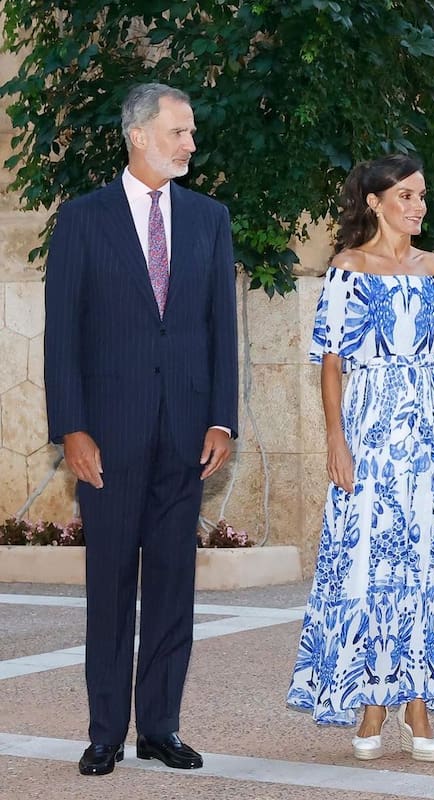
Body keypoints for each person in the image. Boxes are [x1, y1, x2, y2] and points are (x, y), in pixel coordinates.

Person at [44, 83, 238, 776]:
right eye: (180, 131)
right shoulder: (82, 219)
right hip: (109, 436)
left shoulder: (211, 219)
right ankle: (104, 734)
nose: (191, 143)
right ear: (140, 134)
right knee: (110, 585)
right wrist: (72, 427)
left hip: (188, 435)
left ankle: (159, 727)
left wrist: (222, 417)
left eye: (190, 133)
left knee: (171, 587)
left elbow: (221, 326)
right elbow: (61, 333)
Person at [287, 154, 434, 763]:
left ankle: (418, 708)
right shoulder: (347, 269)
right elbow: (332, 365)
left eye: (422, 196)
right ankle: (370, 705)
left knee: (424, 565)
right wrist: (335, 441)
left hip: (429, 431)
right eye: (406, 196)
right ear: (375, 202)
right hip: (369, 429)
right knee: (367, 561)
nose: (418, 206)